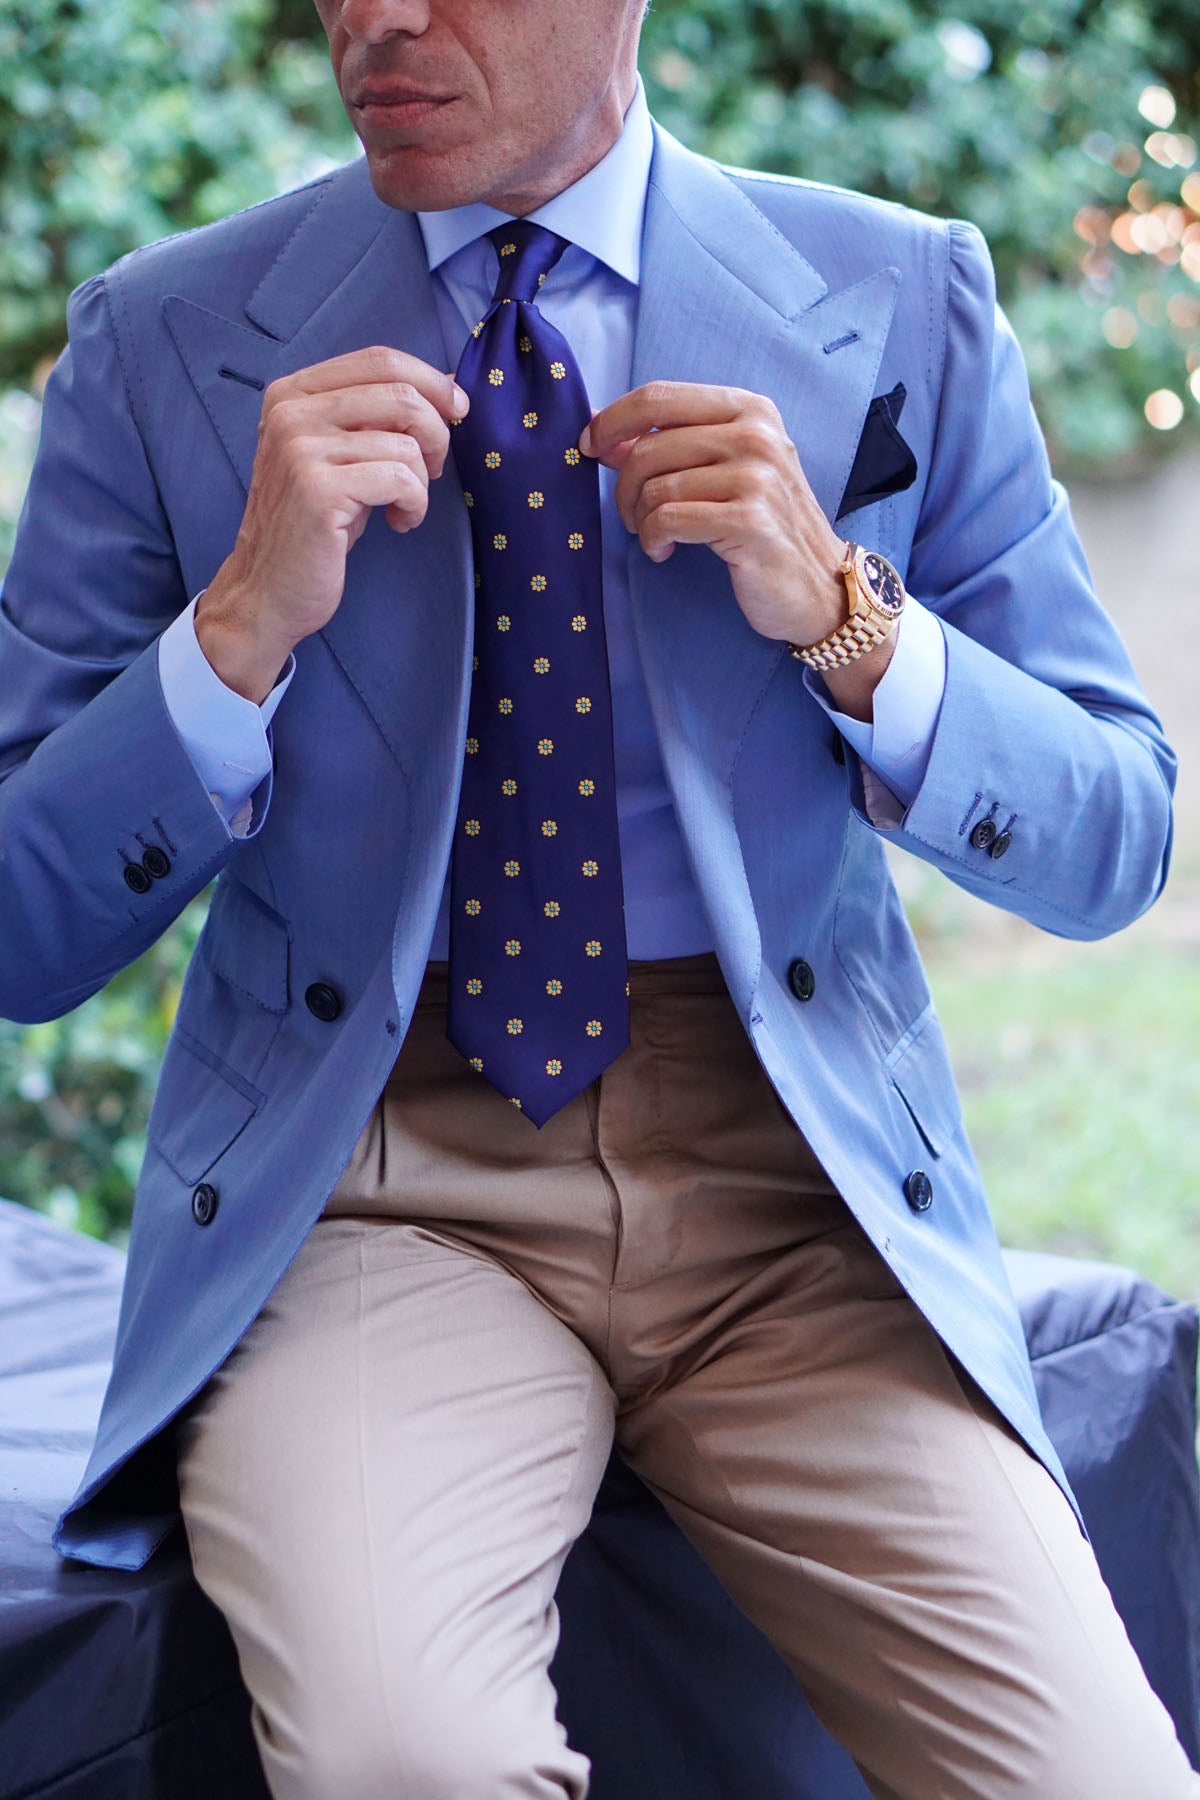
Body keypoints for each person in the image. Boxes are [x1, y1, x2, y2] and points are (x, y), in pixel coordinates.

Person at [0, 0, 1193, 1793]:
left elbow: (1116, 840)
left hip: (796, 1202)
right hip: (376, 1190)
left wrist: (852, 621)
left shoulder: (900, 292)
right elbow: (21, 932)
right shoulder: (164, 338)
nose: (375, 20)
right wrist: (230, 636)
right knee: (404, 1763)